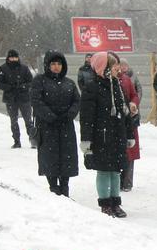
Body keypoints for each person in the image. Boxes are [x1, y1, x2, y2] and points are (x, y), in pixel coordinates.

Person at [80, 52, 134, 218]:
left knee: (116, 170)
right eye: (113, 65)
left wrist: (129, 133)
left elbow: (125, 113)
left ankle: (116, 202)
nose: (117, 68)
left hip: (117, 135)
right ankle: (105, 203)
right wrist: (87, 140)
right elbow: (86, 117)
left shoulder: (117, 85)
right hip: (101, 137)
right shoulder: (92, 87)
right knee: (103, 171)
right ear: (103, 67)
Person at [30, 51, 80, 197]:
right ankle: (53, 188)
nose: (56, 67)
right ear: (47, 65)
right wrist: (51, 116)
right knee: (49, 157)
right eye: (53, 64)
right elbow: (36, 101)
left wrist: (68, 115)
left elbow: (76, 101)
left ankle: (65, 189)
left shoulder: (69, 83)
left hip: (66, 126)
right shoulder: (40, 81)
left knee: (67, 157)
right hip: (47, 127)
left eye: (59, 64)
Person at [0, 49, 35, 148]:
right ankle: (17, 141)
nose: (13, 59)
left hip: (24, 98)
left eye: (15, 57)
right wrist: (9, 87)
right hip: (10, 99)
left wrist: (23, 86)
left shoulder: (24, 68)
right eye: (11, 57)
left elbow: (31, 82)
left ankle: (33, 140)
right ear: (8, 58)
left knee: (28, 120)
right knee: (13, 121)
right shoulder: (3, 69)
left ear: (18, 58)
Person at [118, 59, 141, 192]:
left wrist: (133, 104)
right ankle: (119, 180)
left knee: (130, 151)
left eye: (124, 65)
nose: (121, 68)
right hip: (117, 121)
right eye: (119, 65)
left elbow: (136, 95)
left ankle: (127, 182)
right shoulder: (111, 80)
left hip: (130, 119)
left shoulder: (128, 80)